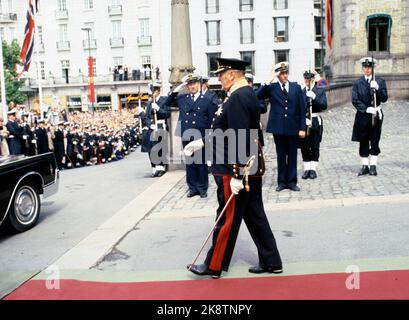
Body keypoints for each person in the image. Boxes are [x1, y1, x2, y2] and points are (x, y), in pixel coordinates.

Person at [184, 58, 282, 278]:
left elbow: (241, 136)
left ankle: (214, 265)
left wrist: (238, 174)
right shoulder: (243, 93)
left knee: (227, 218)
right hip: (246, 166)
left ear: (233, 74)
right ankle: (272, 261)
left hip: (234, 169)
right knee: (255, 215)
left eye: (222, 74)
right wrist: (202, 142)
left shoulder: (238, 96)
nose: (219, 78)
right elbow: (228, 129)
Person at [165, 73, 218, 198]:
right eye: (189, 84)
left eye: (194, 83)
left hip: (201, 135)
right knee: (190, 163)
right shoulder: (183, 99)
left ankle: (202, 188)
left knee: (201, 163)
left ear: (199, 84)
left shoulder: (207, 100)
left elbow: (212, 120)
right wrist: (176, 89)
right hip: (187, 135)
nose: (192, 86)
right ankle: (192, 188)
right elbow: (167, 103)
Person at [256, 62, 306, 192]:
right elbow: (257, 96)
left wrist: (302, 128)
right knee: (281, 156)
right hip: (278, 128)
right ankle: (282, 182)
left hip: (293, 127)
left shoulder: (296, 87)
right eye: (281, 74)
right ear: (278, 75)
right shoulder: (272, 88)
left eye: (286, 73)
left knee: (293, 155)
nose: (284, 76)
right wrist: (268, 80)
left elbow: (302, 109)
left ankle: (292, 181)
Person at [352, 57, 388, 177]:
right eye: (365, 67)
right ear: (362, 68)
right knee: (363, 140)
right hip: (363, 115)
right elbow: (355, 100)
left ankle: (373, 166)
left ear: (373, 68)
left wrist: (377, 89)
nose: (367, 69)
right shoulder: (357, 83)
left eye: (369, 67)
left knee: (374, 139)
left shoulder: (380, 81)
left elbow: (384, 98)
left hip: (376, 115)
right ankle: (364, 166)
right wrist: (366, 108)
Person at [301, 70, 328, 180]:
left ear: (313, 79)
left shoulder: (319, 91)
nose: (308, 81)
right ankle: (307, 168)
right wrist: (304, 118)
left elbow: (323, 105)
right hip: (305, 121)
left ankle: (313, 169)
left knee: (315, 144)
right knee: (304, 145)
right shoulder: (301, 92)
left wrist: (314, 98)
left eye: (310, 79)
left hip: (315, 119)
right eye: (306, 79)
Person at [139, 83, 170, 177]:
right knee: (151, 148)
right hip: (152, 126)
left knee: (160, 147)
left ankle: (161, 167)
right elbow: (147, 117)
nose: (152, 94)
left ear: (158, 91)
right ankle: (154, 167)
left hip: (161, 125)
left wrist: (159, 109)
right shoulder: (150, 102)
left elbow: (167, 114)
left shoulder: (164, 100)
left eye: (153, 91)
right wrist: (150, 124)